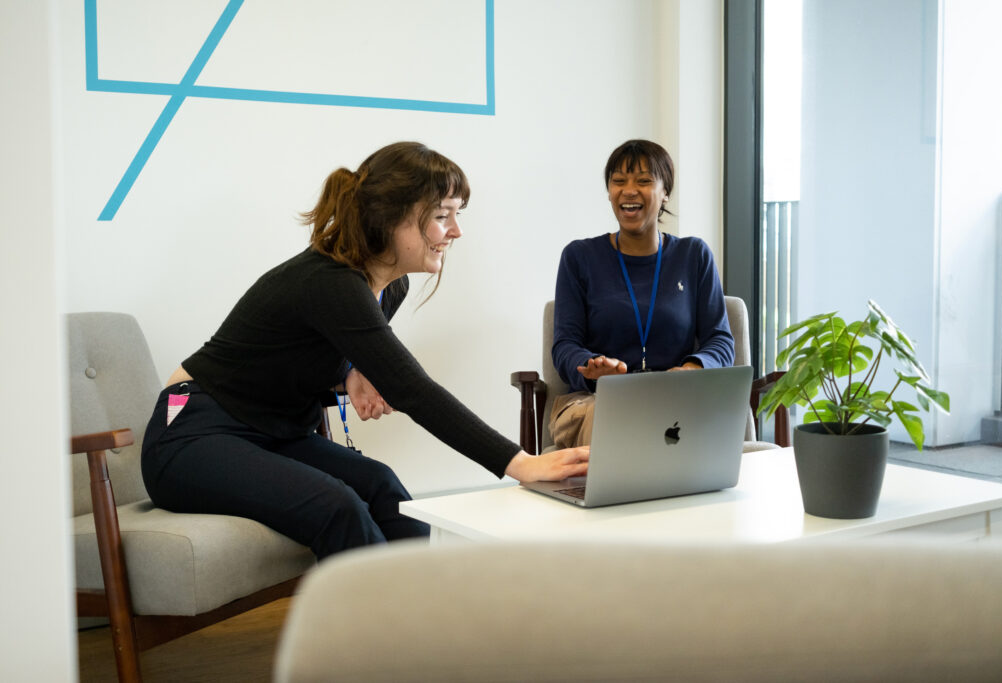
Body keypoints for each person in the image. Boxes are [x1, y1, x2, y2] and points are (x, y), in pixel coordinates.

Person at [140, 141, 589, 560]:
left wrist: (350, 370)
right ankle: (386, 639)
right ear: (390, 217)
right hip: (190, 433)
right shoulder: (328, 280)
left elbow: (304, 353)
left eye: (457, 213)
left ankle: (441, 618)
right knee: (337, 507)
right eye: (442, 215)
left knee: (380, 484)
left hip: (273, 434)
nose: (456, 231)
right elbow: (411, 388)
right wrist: (520, 463)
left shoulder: (388, 288)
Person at [550, 139, 735, 448]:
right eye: (618, 181)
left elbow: (720, 339)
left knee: (695, 431)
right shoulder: (579, 256)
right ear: (609, 192)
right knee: (612, 418)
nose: (629, 190)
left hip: (675, 401)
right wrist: (593, 366)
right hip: (597, 401)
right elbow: (565, 344)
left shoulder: (693, 255)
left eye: (644, 181)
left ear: (665, 193)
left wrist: (692, 369)